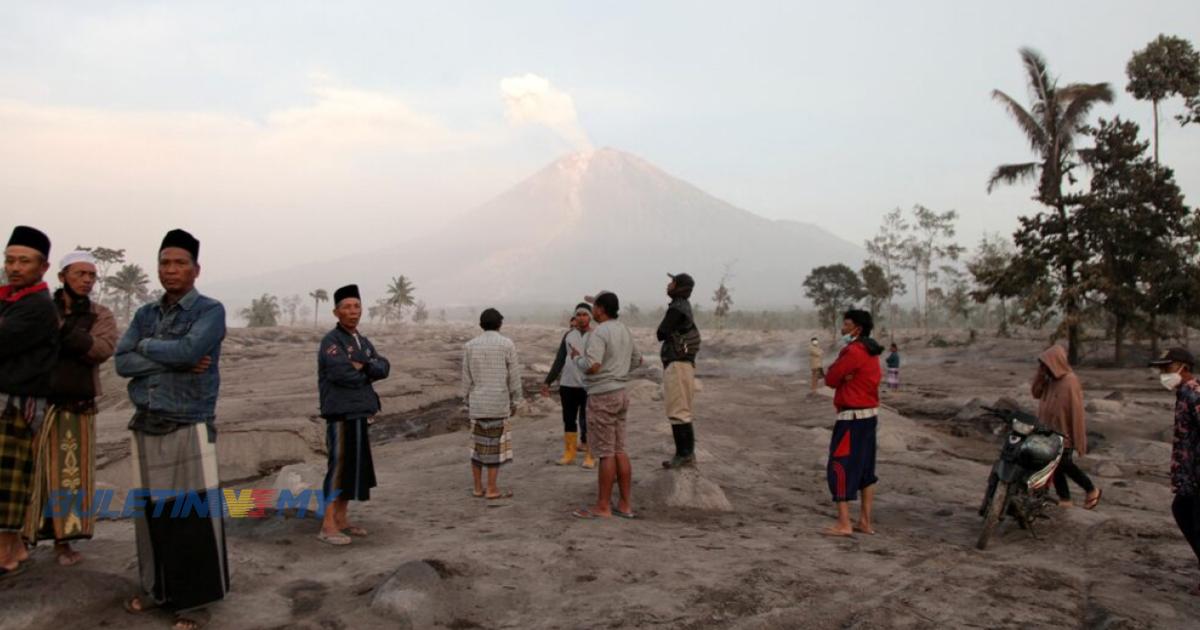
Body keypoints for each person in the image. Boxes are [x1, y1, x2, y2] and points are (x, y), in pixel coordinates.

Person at [115, 229, 228, 629]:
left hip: (187, 422)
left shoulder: (210, 311)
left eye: (180, 263)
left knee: (189, 515)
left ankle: (194, 604)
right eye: (165, 262)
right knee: (151, 516)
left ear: (196, 270)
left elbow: (190, 350)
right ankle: (157, 590)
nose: (171, 270)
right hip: (146, 421)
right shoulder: (146, 314)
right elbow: (121, 362)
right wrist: (168, 357)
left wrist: (146, 348)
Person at [22, 250, 118, 566]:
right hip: (36, 404)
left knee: (70, 476)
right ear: (62, 276)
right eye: (80, 274)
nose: (87, 280)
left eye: (91, 275)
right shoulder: (40, 310)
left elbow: (101, 349)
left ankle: (64, 542)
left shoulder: (100, 314)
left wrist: (63, 333)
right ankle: (21, 540)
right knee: (30, 474)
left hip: (77, 406)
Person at [0, 226, 58, 580]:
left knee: (7, 482)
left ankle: (5, 553)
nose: (15, 267)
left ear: (43, 267)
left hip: (16, 405)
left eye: (24, 261)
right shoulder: (10, 298)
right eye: (10, 259)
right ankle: (16, 546)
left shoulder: (38, 306)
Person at [316, 284, 389, 545]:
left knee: (353, 469)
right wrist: (366, 368)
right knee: (338, 468)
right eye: (346, 307)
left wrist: (364, 365)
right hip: (341, 413)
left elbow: (384, 366)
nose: (352, 311)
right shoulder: (331, 341)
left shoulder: (362, 340)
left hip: (360, 411)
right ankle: (327, 525)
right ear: (336, 312)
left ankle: (342, 520)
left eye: (356, 306)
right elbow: (341, 373)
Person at [571, 292, 642, 519]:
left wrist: (576, 358)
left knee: (605, 452)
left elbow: (592, 365)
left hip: (602, 394)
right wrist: (618, 373)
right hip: (621, 392)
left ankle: (602, 506)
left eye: (594, 307)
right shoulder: (624, 329)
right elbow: (637, 360)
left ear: (600, 309)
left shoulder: (600, 332)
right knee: (619, 449)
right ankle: (624, 504)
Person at [822, 309, 884, 537]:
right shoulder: (872, 352)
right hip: (869, 418)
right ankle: (865, 522)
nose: (843, 328)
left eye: (846, 324)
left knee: (839, 467)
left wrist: (843, 379)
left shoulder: (854, 351)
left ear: (857, 328)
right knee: (867, 470)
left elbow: (830, 378)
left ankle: (844, 523)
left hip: (851, 419)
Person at [1151, 347, 1200, 596]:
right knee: (1182, 511)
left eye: (1166, 367)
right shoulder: (1183, 393)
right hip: (1189, 475)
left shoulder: (1195, 394)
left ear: (1184, 367)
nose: (1162, 373)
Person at [463, 308, 523, 500]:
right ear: (500, 324)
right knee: (495, 448)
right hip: (498, 404)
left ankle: (477, 487)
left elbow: (466, 378)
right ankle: (491, 488)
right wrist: (516, 400)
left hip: (478, 404)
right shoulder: (507, 344)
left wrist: (466, 399)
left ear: (481, 324)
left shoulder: (470, 346)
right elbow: (514, 377)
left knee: (477, 448)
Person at [1031, 345, 1101, 510]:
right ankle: (1065, 498)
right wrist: (1040, 376)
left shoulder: (1070, 381)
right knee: (1054, 466)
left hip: (1064, 434)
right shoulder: (1049, 380)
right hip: (1047, 432)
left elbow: (1075, 412)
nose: (1044, 368)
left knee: (1063, 464)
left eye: (1046, 364)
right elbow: (1035, 393)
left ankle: (1091, 489)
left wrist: (1076, 438)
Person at [657, 273, 702, 469]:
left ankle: (684, 454)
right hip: (682, 364)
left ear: (680, 287)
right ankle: (686, 454)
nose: (669, 285)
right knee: (682, 409)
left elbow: (661, 332)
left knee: (678, 411)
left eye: (673, 282)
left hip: (678, 364)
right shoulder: (683, 306)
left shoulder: (677, 308)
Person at [542, 304, 595, 468]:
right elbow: (559, 360)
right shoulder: (568, 335)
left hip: (588, 386)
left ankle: (590, 455)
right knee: (569, 420)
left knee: (589, 421)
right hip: (568, 384)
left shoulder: (596, 335)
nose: (581, 317)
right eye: (578, 314)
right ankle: (569, 453)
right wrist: (548, 381)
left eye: (584, 314)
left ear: (590, 316)